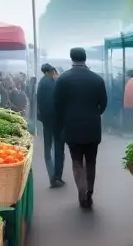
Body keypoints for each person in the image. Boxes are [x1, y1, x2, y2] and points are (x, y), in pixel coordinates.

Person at [54, 48, 107, 209]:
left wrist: (65, 119)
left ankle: (81, 190)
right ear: (85, 58)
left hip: (72, 126)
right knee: (91, 161)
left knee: (76, 161)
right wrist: (94, 114)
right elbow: (103, 104)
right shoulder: (97, 79)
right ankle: (89, 191)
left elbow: (57, 105)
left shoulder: (62, 80)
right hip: (92, 126)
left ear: (71, 58)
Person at [36, 63, 65, 188]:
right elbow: (54, 103)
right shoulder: (51, 84)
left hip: (46, 121)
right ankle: (55, 177)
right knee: (58, 149)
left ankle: (53, 176)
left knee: (48, 148)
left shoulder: (42, 83)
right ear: (52, 71)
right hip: (55, 121)